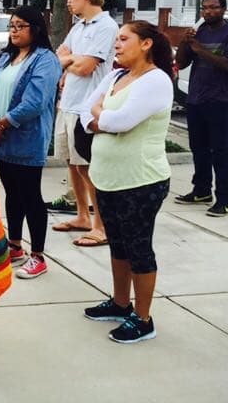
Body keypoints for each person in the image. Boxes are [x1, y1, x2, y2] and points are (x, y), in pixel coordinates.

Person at [79, 21, 174, 343]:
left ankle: (143, 319)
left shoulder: (156, 80)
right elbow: (85, 110)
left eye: (123, 39)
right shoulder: (115, 76)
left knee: (138, 248)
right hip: (108, 178)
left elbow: (122, 121)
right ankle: (121, 304)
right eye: (116, 39)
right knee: (118, 244)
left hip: (141, 181)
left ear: (146, 44)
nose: (116, 45)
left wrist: (100, 116)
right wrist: (99, 117)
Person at [0, 6, 61, 279]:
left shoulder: (45, 60)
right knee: (12, 194)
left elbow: (35, 101)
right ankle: (15, 245)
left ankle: (38, 255)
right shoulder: (4, 57)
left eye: (20, 26)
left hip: (25, 138)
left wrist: (3, 124)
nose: (14, 31)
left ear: (36, 29)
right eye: (12, 26)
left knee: (30, 196)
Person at [50, 0, 118, 247]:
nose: (67, 1)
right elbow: (59, 57)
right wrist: (69, 61)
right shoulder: (78, 27)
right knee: (72, 164)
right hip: (68, 103)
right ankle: (81, 216)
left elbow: (86, 67)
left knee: (88, 167)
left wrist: (68, 61)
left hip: (86, 107)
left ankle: (101, 226)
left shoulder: (105, 26)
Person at [174, 0, 228, 216]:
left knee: (220, 151)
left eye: (213, 7)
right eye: (204, 8)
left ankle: (224, 199)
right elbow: (181, 63)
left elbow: (227, 65)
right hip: (196, 99)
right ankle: (201, 191)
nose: (208, 11)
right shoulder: (199, 32)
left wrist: (199, 49)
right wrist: (185, 42)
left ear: (223, 9)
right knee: (199, 149)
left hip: (219, 100)